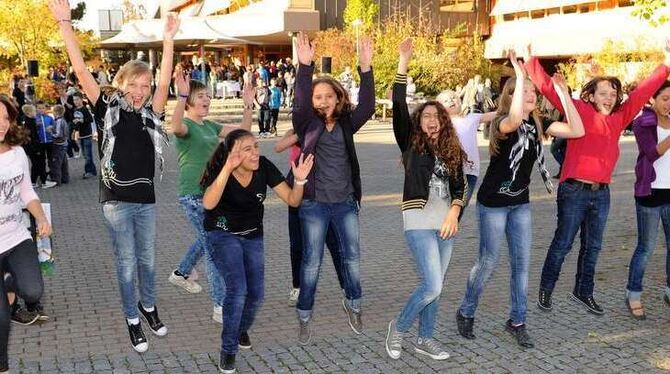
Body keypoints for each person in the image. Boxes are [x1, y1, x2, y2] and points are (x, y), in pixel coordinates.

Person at [50, 0, 180, 353]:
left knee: (149, 259)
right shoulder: (106, 109)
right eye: (134, 84)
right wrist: (65, 24)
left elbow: (165, 78)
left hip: (146, 200)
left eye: (146, 85)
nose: (140, 91)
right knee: (126, 263)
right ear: (121, 84)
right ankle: (132, 318)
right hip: (116, 202)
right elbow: (80, 70)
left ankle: (148, 306)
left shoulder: (150, 113)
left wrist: (168, 41)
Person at [525, 42, 670, 315]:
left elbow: (642, 92)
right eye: (602, 93)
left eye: (613, 94)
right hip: (574, 191)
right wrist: (530, 59)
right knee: (564, 242)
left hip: (602, 193)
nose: (609, 97)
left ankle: (584, 291)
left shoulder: (620, 117)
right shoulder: (579, 108)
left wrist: (666, 62)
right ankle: (546, 289)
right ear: (590, 96)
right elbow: (548, 88)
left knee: (593, 246)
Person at [456, 50, 585, 348]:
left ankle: (517, 321)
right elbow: (514, 118)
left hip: (520, 203)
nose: (531, 94)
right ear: (511, 94)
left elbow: (577, 130)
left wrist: (564, 95)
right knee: (488, 261)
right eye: (524, 90)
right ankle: (466, 311)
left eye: (532, 91)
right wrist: (522, 72)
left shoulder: (539, 124)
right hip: (493, 203)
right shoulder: (501, 122)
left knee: (522, 264)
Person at [201, 129, 314, 373]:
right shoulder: (224, 171)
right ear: (233, 154)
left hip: (252, 235)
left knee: (257, 295)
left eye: (256, 147)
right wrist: (226, 169)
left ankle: (240, 328)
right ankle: (228, 349)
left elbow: (293, 200)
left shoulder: (263, 166)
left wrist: (301, 180)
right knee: (237, 289)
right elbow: (208, 203)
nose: (255, 153)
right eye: (248, 149)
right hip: (222, 234)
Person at [384, 38, 467, 361]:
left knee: (437, 286)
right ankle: (399, 327)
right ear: (419, 122)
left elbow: (461, 187)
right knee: (431, 285)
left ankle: (425, 338)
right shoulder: (410, 142)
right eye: (426, 115)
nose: (431, 119)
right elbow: (400, 104)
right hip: (418, 219)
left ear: (443, 121)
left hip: (446, 221)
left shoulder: (452, 149)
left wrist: (455, 212)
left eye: (437, 115)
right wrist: (403, 61)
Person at [292, 32, 375, 345]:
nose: (322, 100)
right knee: (311, 262)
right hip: (313, 206)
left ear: (339, 98)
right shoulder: (306, 123)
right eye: (318, 97)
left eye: (328, 96)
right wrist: (305, 67)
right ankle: (304, 315)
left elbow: (367, 105)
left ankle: (353, 304)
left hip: (344, 203)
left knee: (351, 258)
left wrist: (365, 69)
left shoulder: (346, 124)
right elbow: (299, 100)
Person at [168, 67, 254, 324]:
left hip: (212, 194)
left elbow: (243, 134)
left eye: (208, 95)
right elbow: (174, 126)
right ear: (189, 100)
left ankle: (182, 273)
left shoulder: (209, 125)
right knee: (214, 244)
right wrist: (181, 96)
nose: (206, 99)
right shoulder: (187, 127)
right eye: (201, 95)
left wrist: (248, 106)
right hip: (192, 195)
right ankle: (219, 306)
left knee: (210, 239)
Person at [0, 94, 51, 374]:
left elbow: (27, 191)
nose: (2, 124)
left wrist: (40, 216)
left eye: (6, 118)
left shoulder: (18, 153)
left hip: (16, 236)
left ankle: (10, 282)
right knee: (1, 317)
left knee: (33, 290)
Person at [274, 129, 346, 306]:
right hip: (297, 195)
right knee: (297, 245)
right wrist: (303, 132)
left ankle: (347, 287)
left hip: (322, 197)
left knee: (334, 243)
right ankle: (298, 287)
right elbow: (278, 147)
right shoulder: (297, 131)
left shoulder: (327, 132)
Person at [625, 81, 670, 320]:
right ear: (653, 99)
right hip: (650, 193)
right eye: (665, 98)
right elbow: (652, 153)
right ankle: (633, 293)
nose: (669, 104)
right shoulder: (643, 122)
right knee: (646, 247)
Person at [437, 90, 496, 207]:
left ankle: (451, 224)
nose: (451, 101)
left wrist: (514, 106)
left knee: (460, 206)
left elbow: (495, 115)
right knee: (445, 206)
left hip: (470, 171)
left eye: (453, 97)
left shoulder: (472, 118)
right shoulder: (440, 123)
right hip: (448, 171)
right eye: (445, 100)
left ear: (460, 101)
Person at [71, 93, 97, 178]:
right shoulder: (75, 110)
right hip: (80, 135)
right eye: (74, 100)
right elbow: (75, 122)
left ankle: (89, 171)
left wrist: (82, 120)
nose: (76, 102)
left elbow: (90, 119)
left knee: (88, 154)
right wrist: (74, 130)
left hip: (87, 134)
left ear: (81, 99)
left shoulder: (84, 109)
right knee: (85, 155)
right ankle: (92, 171)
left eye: (77, 99)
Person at [47, 105, 70, 186]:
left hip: (59, 144)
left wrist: (50, 132)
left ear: (56, 112)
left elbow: (58, 134)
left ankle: (56, 180)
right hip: (64, 144)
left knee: (56, 163)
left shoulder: (59, 121)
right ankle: (65, 178)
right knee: (63, 162)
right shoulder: (63, 120)